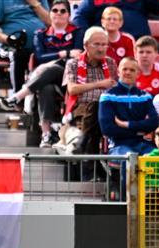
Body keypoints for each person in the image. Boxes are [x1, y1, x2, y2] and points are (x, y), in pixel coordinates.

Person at [0, 0, 83, 147]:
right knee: (46, 88)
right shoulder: (41, 34)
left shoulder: (77, 32)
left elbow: (78, 55)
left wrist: (58, 58)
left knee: (57, 67)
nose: (59, 14)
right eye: (55, 10)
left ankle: (18, 96)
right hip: (45, 79)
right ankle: (46, 134)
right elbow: (39, 57)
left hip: (70, 78)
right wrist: (64, 53)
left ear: (69, 15)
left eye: (63, 11)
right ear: (50, 14)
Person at [62, 26, 117, 156]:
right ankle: (94, 162)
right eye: (97, 44)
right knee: (95, 107)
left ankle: (84, 147)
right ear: (86, 45)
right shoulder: (73, 63)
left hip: (107, 109)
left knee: (98, 107)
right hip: (81, 108)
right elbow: (73, 89)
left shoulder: (110, 63)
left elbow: (115, 88)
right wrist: (100, 84)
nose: (101, 48)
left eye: (104, 44)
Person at [98, 57, 159, 157]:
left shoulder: (145, 96)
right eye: (125, 69)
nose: (128, 72)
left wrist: (127, 124)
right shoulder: (108, 96)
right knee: (129, 161)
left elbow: (153, 122)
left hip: (143, 144)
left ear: (138, 74)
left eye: (132, 70)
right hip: (117, 146)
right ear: (118, 72)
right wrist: (138, 131)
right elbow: (107, 128)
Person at [0, 0, 51, 93]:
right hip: (8, 47)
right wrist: (7, 39)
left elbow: (50, 22)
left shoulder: (40, 1)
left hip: (37, 46)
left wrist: (35, 4)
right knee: (17, 54)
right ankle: (18, 97)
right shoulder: (0, 1)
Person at [73, 0, 159, 41]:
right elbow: (79, 17)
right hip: (104, 45)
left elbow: (158, 7)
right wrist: (91, 37)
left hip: (138, 44)